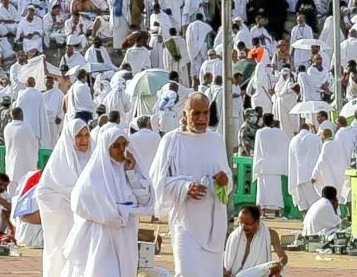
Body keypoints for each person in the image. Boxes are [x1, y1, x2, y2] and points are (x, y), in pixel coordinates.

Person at [150, 92, 233, 277]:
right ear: (185, 114)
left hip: (214, 225)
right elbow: (156, 182)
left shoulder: (216, 141)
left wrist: (224, 181)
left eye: (205, 113)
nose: (201, 118)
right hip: (185, 225)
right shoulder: (171, 141)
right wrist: (185, 187)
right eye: (196, 113)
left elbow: (227, 181)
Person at [63, 125, 152, 277]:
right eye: (116, 146)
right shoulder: (95, 173)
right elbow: (80, 201)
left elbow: (145, 200)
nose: (121, 149)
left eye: (124, 145)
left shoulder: (131, 170)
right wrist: (114, 214)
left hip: (126, 238)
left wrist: (131, 173)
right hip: (102, 237)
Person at [36, 120, 92, 277]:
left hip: (88, 219)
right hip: (65, 221)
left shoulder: (94, 158)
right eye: (79, 136)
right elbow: (44, 192)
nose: (84, 140)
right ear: (70, 138)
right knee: (61, 257)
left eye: (86, 135)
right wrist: (68, 204)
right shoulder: (59, 161)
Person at [223, 204, 287, 277]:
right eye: (241, 222)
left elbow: (283, 257)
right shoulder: (234, 236)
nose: (243, 226)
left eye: (247, 224)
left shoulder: (271, 235)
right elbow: (225, 261)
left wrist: (279, 265)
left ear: (257, 222)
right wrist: (225, 271)